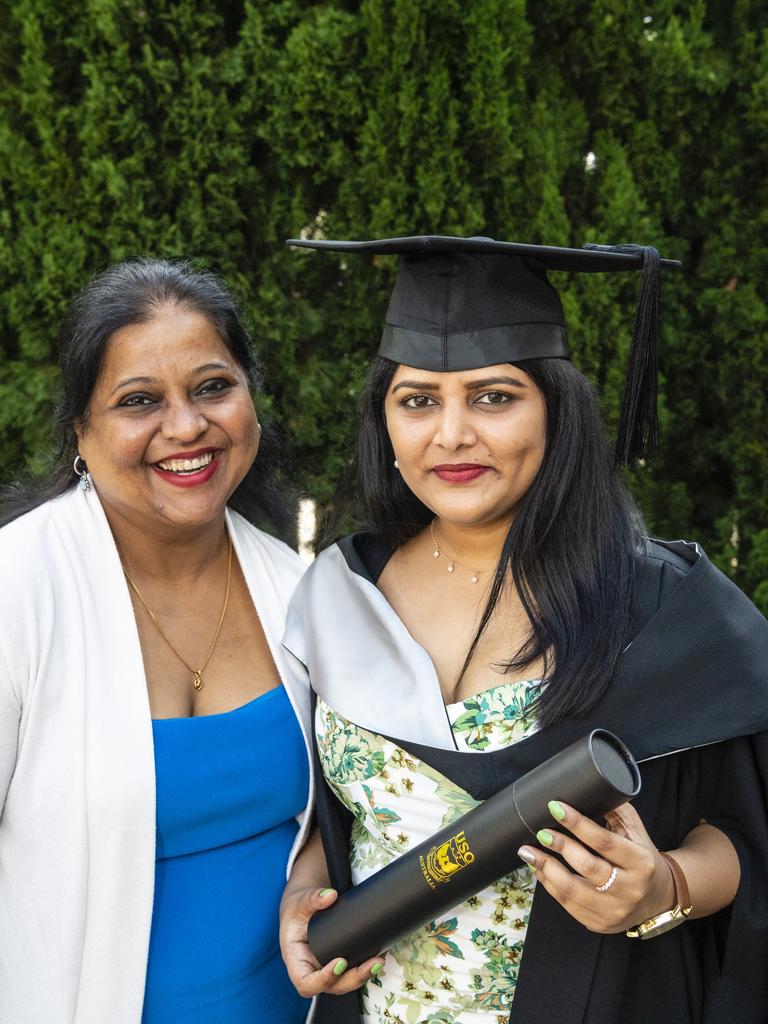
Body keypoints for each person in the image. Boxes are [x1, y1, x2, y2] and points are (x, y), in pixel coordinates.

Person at [278, 236, 768, 1024]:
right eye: (418, 400)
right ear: (385, 422)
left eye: (494, 396)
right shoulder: (337, 596)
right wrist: (308, 892)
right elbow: (331, 813)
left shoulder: (661, 608)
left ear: (556, 408)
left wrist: (667, 886)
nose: (452, 434)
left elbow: (747, 831)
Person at [0, 259, 315, 1024]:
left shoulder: (300, 595)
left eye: (213, 387)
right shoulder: (17, 591)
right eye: (139, 401)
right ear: (81, 430)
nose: (185, 426)